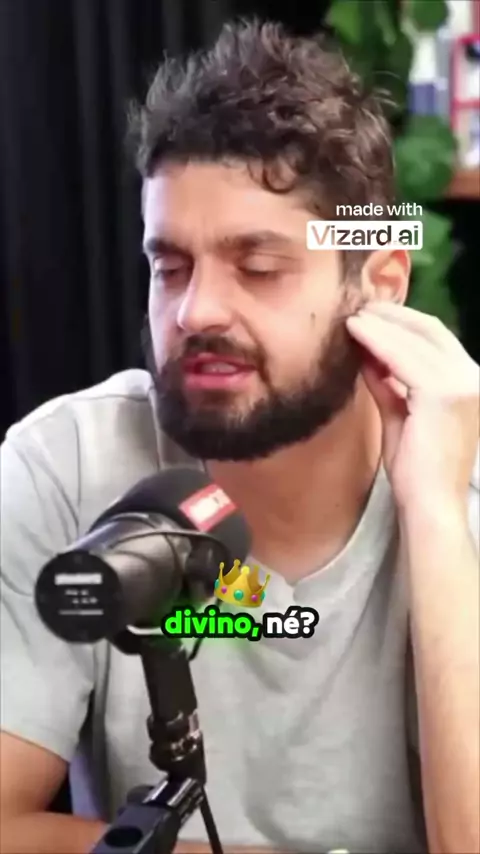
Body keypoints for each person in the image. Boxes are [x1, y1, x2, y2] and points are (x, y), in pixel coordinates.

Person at [1, 17, 479, 854]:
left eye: (258, 268)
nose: (196, 312)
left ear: (379, 286)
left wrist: (437, 513)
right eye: (170, 267)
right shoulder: (66, 463)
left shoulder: (463, 489)